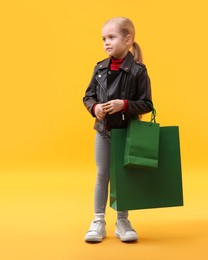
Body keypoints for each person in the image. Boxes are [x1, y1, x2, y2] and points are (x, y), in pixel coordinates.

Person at [82, 17, 153, 242]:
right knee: (102, 175)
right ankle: (98, 221)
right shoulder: (99, 68)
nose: (106, 42)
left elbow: (147, 104)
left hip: (127, 132)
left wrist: (124, 104)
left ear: (128, 39)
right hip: (103, 131)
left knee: (123, 176)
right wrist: (95, 108)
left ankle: (122, 221)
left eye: (111, 37)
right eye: (104, 38)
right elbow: (88, 95)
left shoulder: (138, 71)